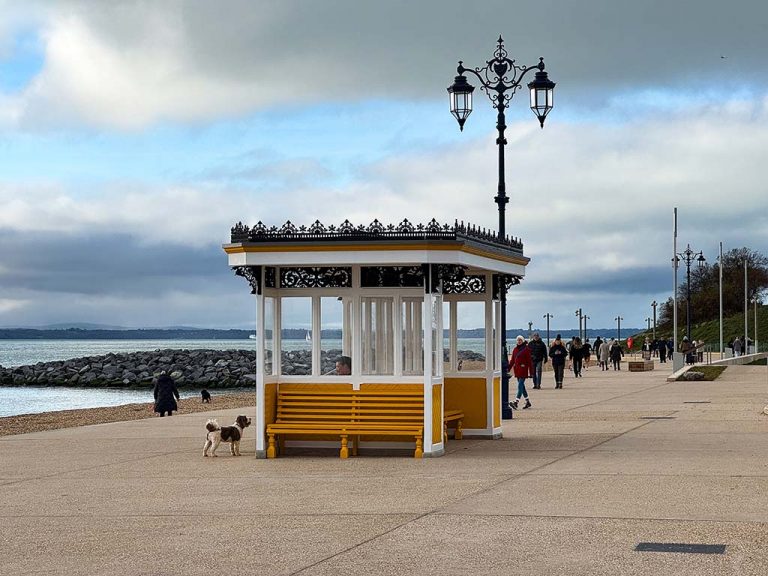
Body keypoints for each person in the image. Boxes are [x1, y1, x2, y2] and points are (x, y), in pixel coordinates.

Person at [509, 335, 532, 410]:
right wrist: (508, 368)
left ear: (523, 341)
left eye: (520, 340)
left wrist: (531, 372)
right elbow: (512, 360)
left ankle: (516, 402)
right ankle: (527, 401)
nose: (519, 341)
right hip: (517, 370)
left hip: (523, 369)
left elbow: (529, 361)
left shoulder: (526, 349)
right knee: (522, 386)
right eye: (518, 340)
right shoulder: (515, 349)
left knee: (520, 385)